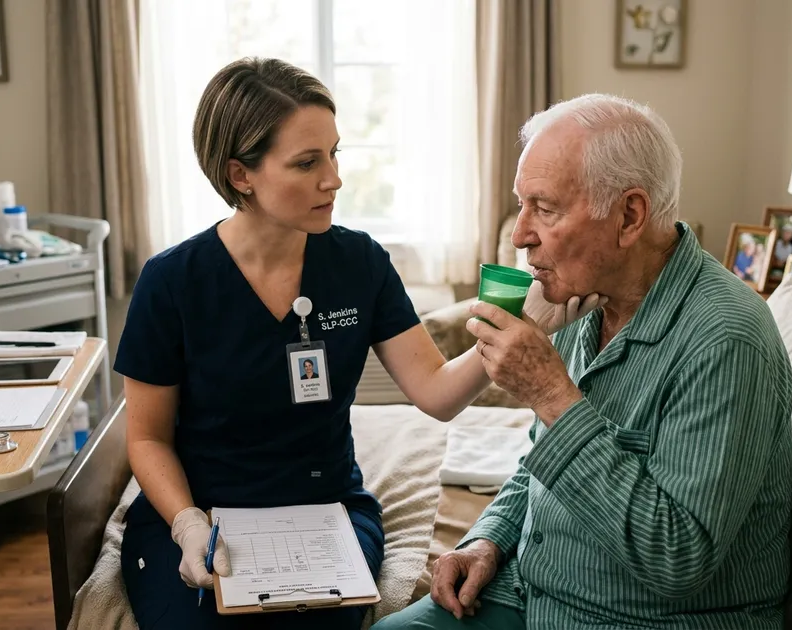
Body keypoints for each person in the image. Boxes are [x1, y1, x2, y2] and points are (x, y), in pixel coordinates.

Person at [114, 57, 604, 630]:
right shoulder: (173, 282)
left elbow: (437, 393)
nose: (334, 179)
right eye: (307, 162)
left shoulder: (358, 263)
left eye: (334, 153)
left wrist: (524, 326)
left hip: (326, 512)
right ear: (240, 174)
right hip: (203, 511)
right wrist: (186, 523)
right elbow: (147, 437)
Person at [372, 94, 792, 629]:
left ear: (629, 216)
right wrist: (487, 540)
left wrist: (552, 395)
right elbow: (540, 464)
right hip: (533, 592)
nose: (520, 235)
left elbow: (677, 559)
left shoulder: (726, 340)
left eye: (545, 208)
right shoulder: (582, 300)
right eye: (521, 204)